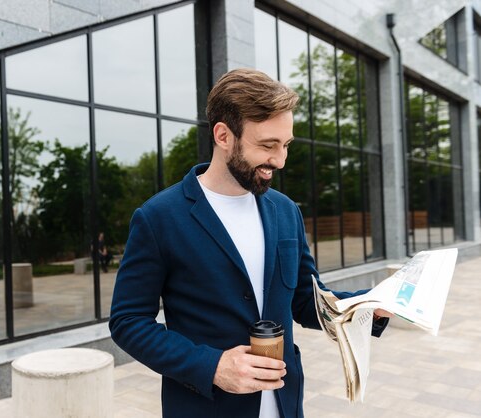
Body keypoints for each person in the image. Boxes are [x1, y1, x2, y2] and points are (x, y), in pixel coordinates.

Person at [109, 68, 391, 418]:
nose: (280, 160)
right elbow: (128, 321)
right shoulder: (158, 218)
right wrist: (212, 366)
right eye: (267, 145)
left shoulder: (286, 211)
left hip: (285, 405)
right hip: (205, 408)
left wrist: (368, 306)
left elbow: (306, 300)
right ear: (224, 136)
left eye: (285, 144)